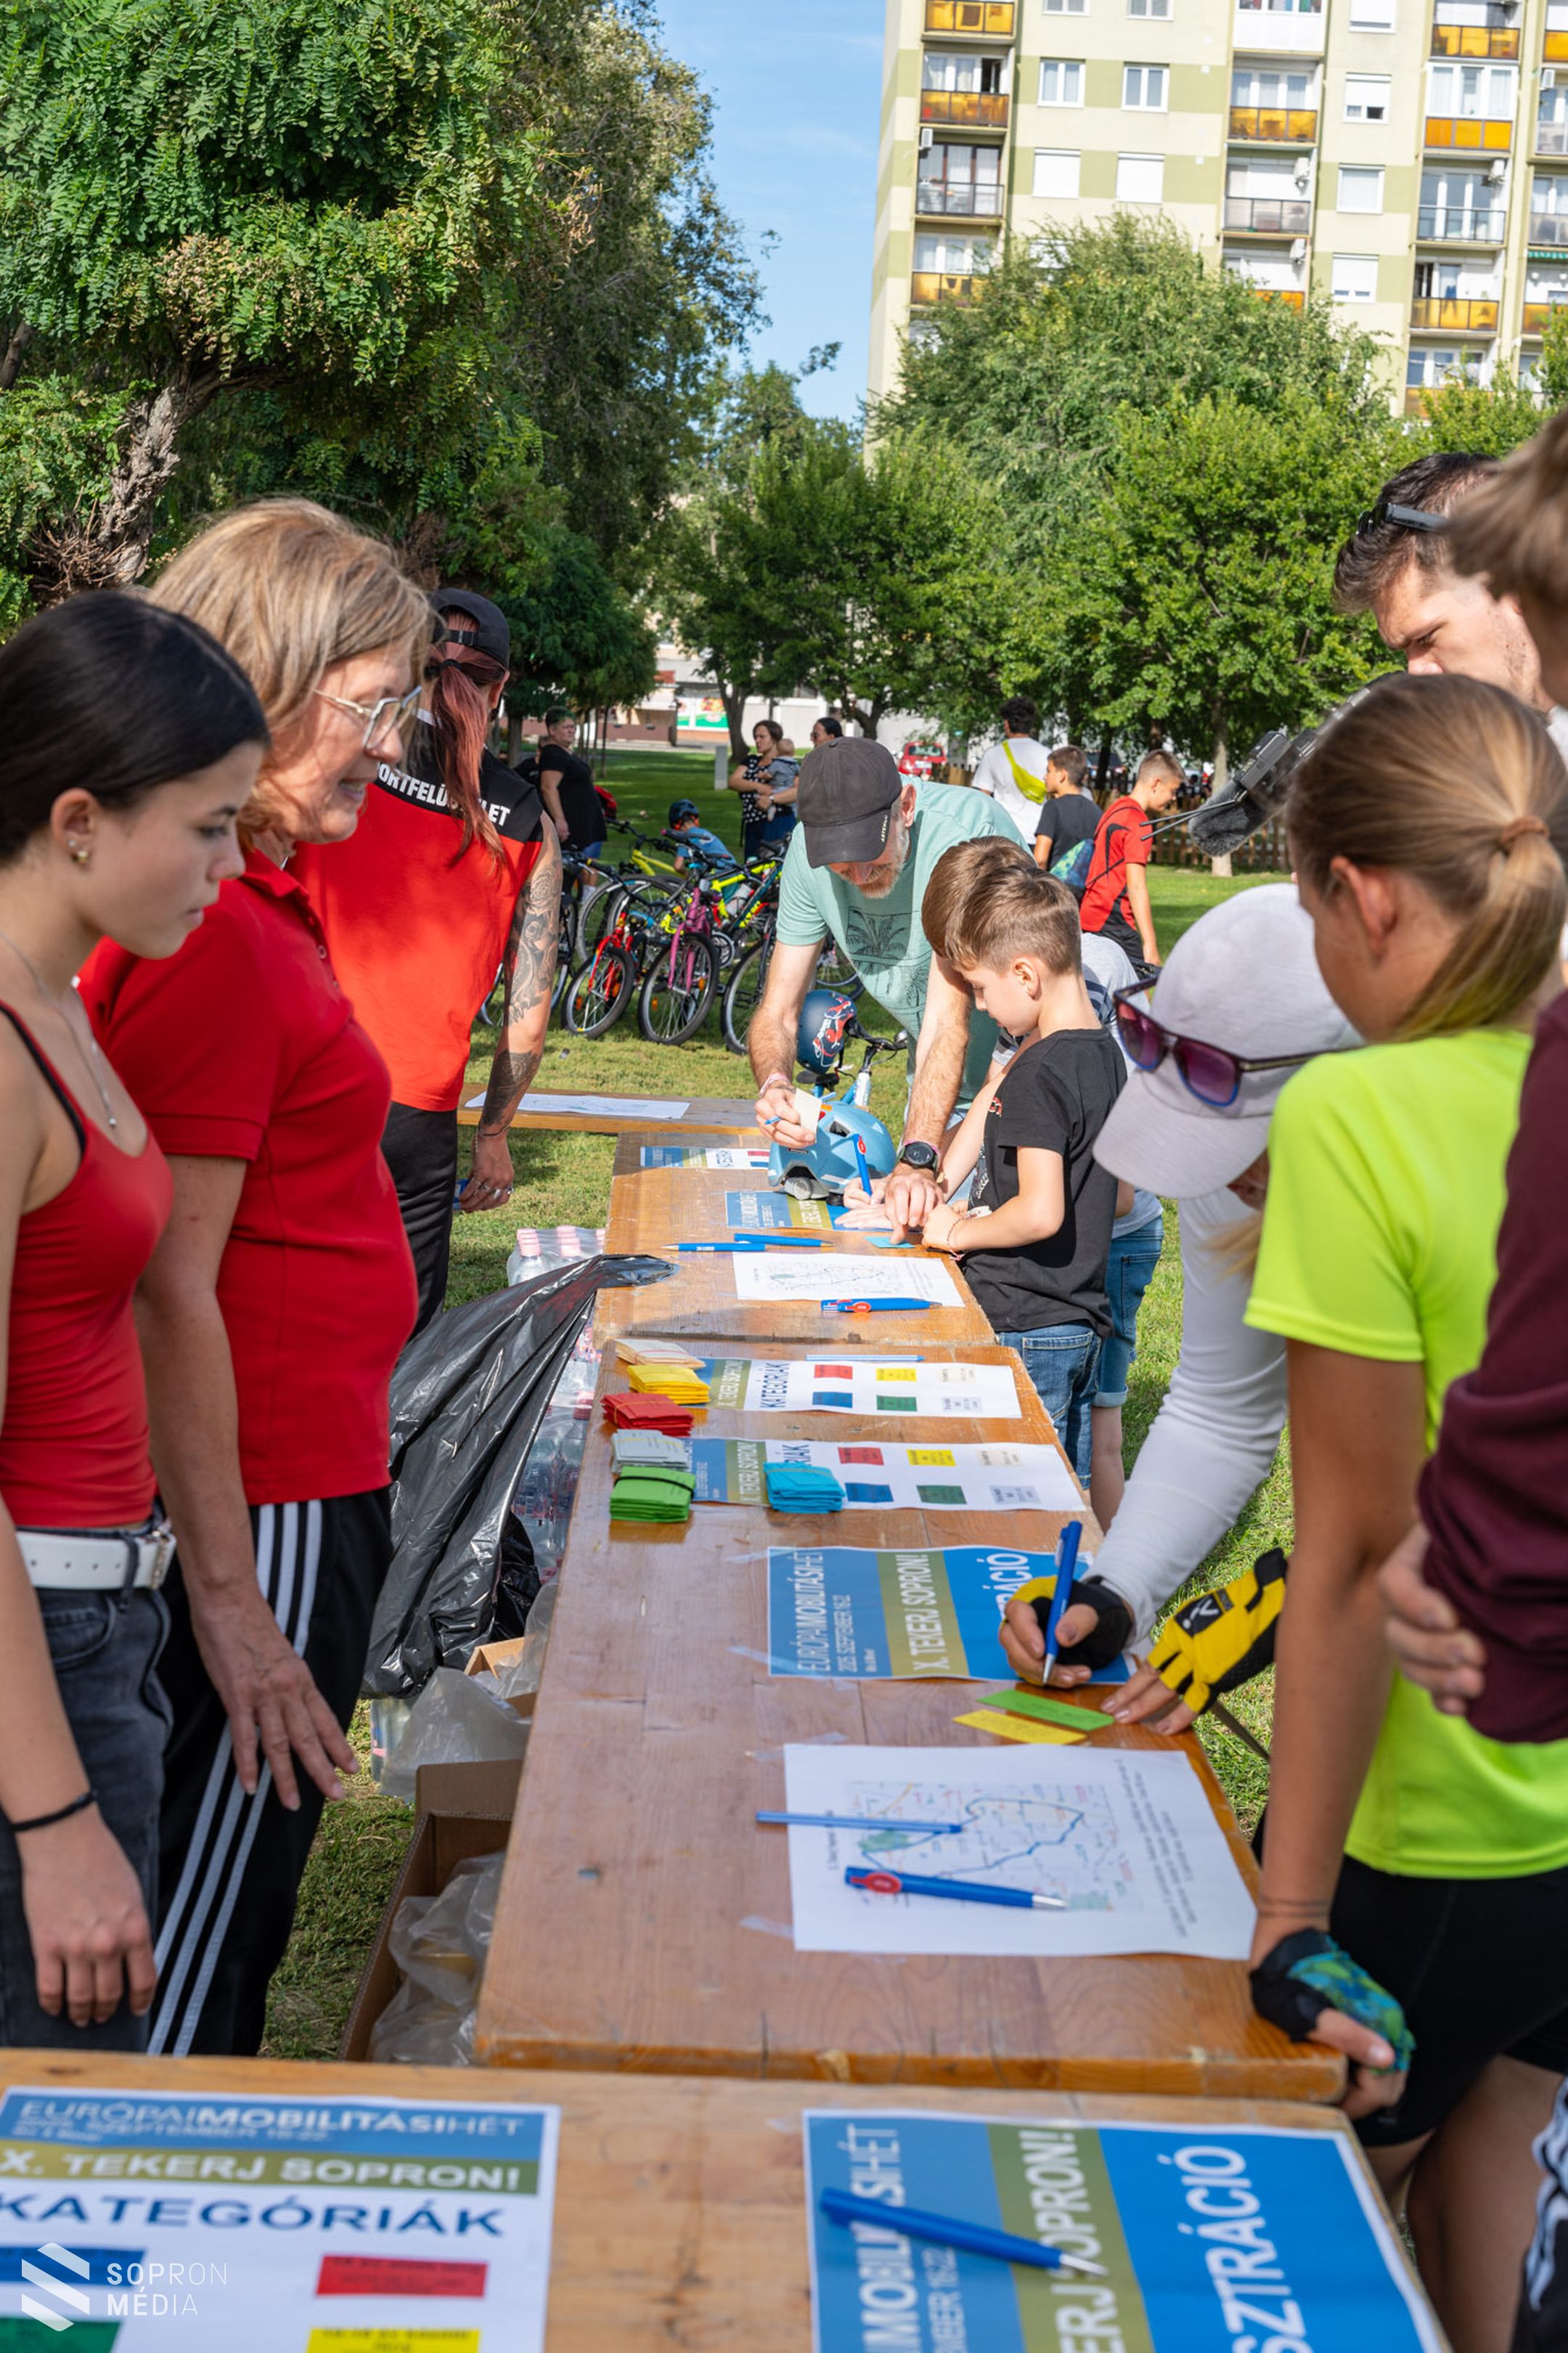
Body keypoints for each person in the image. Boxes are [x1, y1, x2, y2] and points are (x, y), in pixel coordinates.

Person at [1236, 673, 1568, 2353]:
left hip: (1439, 1822)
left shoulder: (1356, 1113)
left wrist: (1288, 1913)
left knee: (1329, 2200)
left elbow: (1354, 1545)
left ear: (1360, 895)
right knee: (1506, 2133)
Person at [82, 499, 429, 2059]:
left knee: (214, 1926)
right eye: (372, 704)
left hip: (292, 1478)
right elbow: (168, 1282)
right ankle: (117, 2291)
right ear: (272, 680)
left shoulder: (252, 906)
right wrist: (230, 1598)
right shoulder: (214, 935)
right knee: (196, 1960)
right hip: (265, 1499)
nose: (390, 740)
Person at [0, 595, 262, 2050]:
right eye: (211, 824)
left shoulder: (63, 1000)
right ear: (82, 816)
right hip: (34, 1658)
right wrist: (52, 1818)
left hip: (103, 1623)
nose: (232, 865)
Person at [996, 884, 1356, 1700]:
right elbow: (1220, 1406)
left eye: (1247, 1156)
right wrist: (1114, 1590)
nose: (1231, 1182)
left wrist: (1301, 1601)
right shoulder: (1234, 1121)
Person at [294, 590, 560, 1334]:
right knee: (395, 1334)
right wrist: (494, 1133)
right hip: (415, 1108)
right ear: (501, 686)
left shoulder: (341, 759)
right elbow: (527, 1013)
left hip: (297, 1071)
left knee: (274, 1296)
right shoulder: (527, 820)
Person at [912, 839, 1125, 1483]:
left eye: (980, 989)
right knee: (1068, 1493)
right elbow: (1121, 1196)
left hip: (1025, 1325)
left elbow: (1039, 1211)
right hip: (1080, 1326)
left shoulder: (1037, 1074)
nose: (979, 1006)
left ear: (1026, 975)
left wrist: (959, 1231)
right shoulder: (1105, 1055)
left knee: (1012, 1490)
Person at [748, 735, 1021, 1237]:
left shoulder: (964, 837)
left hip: (1015, 1087)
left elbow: (947, 1021)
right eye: (840, 862)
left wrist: (918, 1159)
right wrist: (776, 1084)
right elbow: (778, 1011)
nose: (858, 874)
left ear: (907, 808)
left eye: (869, 853)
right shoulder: (806, 864)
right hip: (938, 1093)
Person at [1079, 749, 1181, 967]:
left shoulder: (1115, 808)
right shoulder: (1138, 823)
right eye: (1173, 791)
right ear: (1155, 784)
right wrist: (1151, 944)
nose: (1173, 799)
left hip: (1089, 913)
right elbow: (1136, 887)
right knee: (1137, 997)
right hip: (1114, 920)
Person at [969, 696, 1051, 841]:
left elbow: (983, 798)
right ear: (1030, 725)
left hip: (1005, 834)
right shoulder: (1047, 755)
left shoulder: (993, 755)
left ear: (1006, 724)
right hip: (1038, 836)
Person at [536, 709, 605, 864]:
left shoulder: (565, 753)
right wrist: (560, 820)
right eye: (566, 727)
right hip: (567, 827)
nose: (572, 730)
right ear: (552, 730)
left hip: (580, 824)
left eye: (573, 727)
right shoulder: (554, 754)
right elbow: (548, 787)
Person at [725, 718, 798, 863]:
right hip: (752, 823)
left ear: (775, 739)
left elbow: (797, 791)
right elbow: (733, 781)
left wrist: (771, 797)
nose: (757, 741)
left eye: (762, 737)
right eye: (755, 737)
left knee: (771, 866)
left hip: (776, 822)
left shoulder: (785, 764)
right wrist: (758, 786)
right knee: (751, 865)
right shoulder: (751, 761)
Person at [1031, 743, 1100, 879]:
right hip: (1084, 890)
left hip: (1057, 889)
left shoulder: (1053, 808)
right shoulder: (1096, 811)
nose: (1045, 777)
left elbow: (1040, 860)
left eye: (1049, 771)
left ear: (1062, 775)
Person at [666, 798, 739, 877]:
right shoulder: (704, 833)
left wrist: (686, 873)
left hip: (717, 874)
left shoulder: (686, 838)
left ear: (676, 825)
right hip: (732, 868)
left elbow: (678, 866)